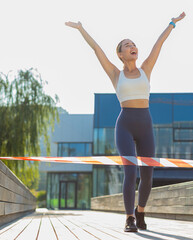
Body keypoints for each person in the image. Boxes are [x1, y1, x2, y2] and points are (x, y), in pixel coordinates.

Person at [65, 12, 186, 232]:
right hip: (125, 125)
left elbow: (159, 44)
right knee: (130, 171)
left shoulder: (145, 69)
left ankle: (141, 210)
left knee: (148, 174)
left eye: (134, 44)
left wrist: (172, 24)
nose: (133, 46)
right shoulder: (114, 74)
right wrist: (81, 28)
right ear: (121, 54)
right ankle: (129, 217)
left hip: (145, 124)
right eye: (127, 45)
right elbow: (97, 50)